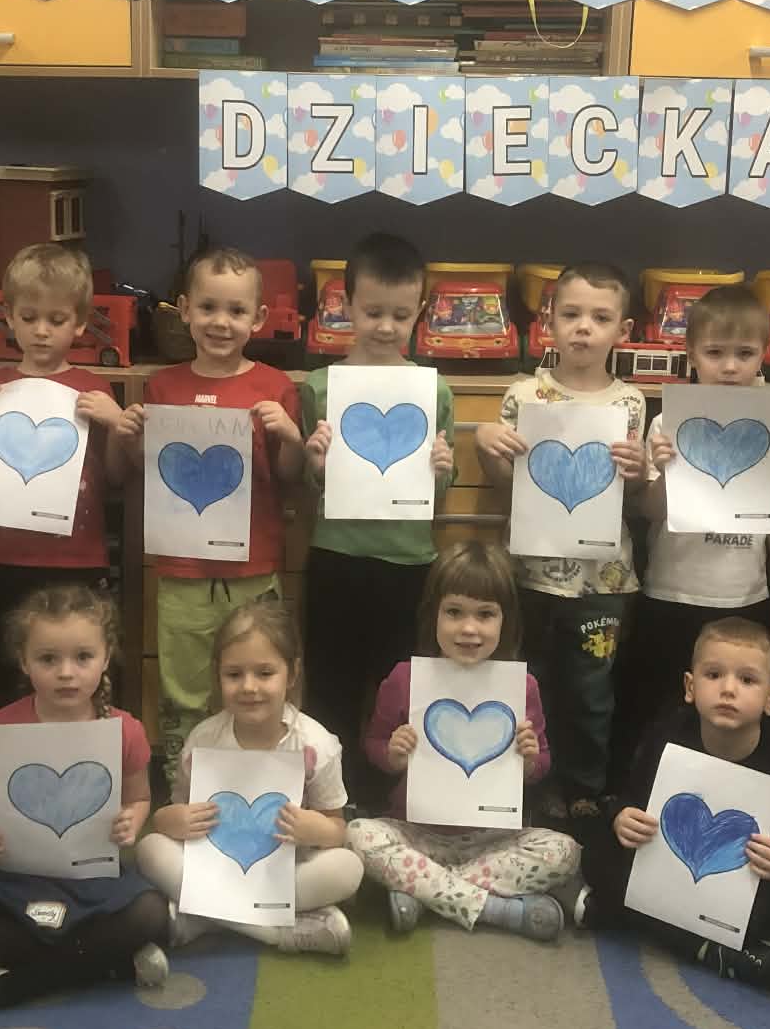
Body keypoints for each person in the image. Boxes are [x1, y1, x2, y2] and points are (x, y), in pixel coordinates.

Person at [0, 585, 169, 1028]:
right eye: (48, 659)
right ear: (23, 661)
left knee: (151, 912)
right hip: (16, 878)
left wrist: (132, 822)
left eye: (83, 657)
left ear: (106, 656)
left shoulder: (125, 730)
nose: (66, 673)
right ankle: (108, 962)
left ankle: (2, 983)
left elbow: (139, 797)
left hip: (93, 879)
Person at [113, 245, 304, 782]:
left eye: (236, 310)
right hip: (182, 571)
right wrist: (130, 438)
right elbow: (148, 471)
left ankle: (256, 781)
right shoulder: (163, 387)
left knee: (257, 680)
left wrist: (290, 436)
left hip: (254, 569)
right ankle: (185, 782)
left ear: (258, 318)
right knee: (185, 685)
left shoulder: (275, 387)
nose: (221, 322)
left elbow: (289, 477)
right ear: (184, 310)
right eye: (208, 307)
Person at [473, 262, 649, 822]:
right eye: (570, 314)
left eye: (600, 318)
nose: (583, 328)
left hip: (604, 581)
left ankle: (584, 788)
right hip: (529, 573)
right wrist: (486, 446)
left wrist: (639, 472)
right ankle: (528, 786)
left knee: (591, 693)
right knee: (529, 685)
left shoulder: (631, 403)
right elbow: (505, 484)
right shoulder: (525, 394)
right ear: (549, 320)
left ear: (623, 330)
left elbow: (634, 497)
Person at [578, 617, 770, 996]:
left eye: (747, 680)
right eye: (713, 675)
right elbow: (631, 799)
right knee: (596, 855)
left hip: (740, 887)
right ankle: (723, 954)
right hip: (666, 870)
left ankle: (629, 917)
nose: (728, 689)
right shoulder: (665, 736)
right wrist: (621, 818)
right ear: (690, 687)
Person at [347, 543, 581, 939]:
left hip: (493, 840)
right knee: (357, 836)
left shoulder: (522, 687)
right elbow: (373, 743)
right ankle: (495, 908)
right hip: (415, 832)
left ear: (505, 621)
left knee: (565, 852)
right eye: (454, 612)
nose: (469, 628)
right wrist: (392, 753)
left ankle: (422, 891)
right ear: (433, 616)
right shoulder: (404, 678)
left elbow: (541, 763)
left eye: (485, 614)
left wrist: (529, 760)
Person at [297, 231, 455, 809]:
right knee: (331, 682)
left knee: (397, 691)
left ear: (420, 311)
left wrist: (444, 468)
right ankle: (326, 799)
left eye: (400, 314)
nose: (386, 326)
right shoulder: (319, 388)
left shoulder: (434, 390)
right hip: (336, 555)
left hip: (407, 561)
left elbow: (439, 490)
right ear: (346, 304)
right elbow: (309, 485)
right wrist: (315, 464)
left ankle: (389, 798)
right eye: (372, 312)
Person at [618, 285, 770, 766]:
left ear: (764, 354)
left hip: (743, 595)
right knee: (664, 709)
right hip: (672, 591)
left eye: (745, 354)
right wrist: (662, 470)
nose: (730, 367)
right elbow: (651, 511)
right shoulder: (666, 425)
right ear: (691, 354)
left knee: (736, 709)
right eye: (716, 353)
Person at [138, 600, 363, 956]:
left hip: (287, 868)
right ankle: (277, 934)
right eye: (234, 674)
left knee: (348, 868)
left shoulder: (316, 745)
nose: (248, 686)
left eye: (265, 673)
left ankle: (201, 919)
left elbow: (337, 830)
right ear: (218, 676)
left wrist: (315, 828)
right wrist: (174, 820)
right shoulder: (203, 740)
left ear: (292, 674)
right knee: (150, 849)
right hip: (215, 866)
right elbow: (170, 816)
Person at [0, 242, 127, 639]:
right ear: (9, 317)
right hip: (9, 555)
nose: (41, 331)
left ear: (79, 323)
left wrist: (117, 426)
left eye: (56, 320)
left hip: (80, 556)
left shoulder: (94, 388)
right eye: (29, 317)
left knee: (79, 654)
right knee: (14, 658)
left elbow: (114, 477)